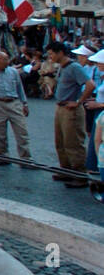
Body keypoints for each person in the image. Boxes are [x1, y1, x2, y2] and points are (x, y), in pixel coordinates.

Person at [47, 40, 94, 186]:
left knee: (73, 142)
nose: (50, 57)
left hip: (71, 110)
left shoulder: (74, 67)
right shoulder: (62, 67)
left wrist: (78, 101)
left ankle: (80, 175)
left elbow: (90, 85)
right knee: (60, 141)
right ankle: (66, 170)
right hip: (60, 107)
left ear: (60, 53)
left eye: (51, 54)